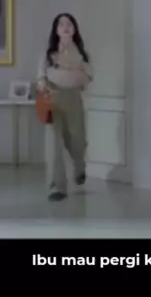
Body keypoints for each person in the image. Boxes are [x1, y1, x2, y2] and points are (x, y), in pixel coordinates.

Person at [36, 13, 93, 202]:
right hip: (53, 99)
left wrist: (76, 73)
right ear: (56, 30)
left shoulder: (82, 54)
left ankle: (79, 168)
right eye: (61, 24)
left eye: (69, 24)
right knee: (54, 143)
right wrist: (43, 84)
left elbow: (88, 76)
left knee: (77, 140)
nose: (65, 27)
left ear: (74, 29)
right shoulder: (48, 54)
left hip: (73, 98)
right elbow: (40, 76)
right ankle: (57, 186)